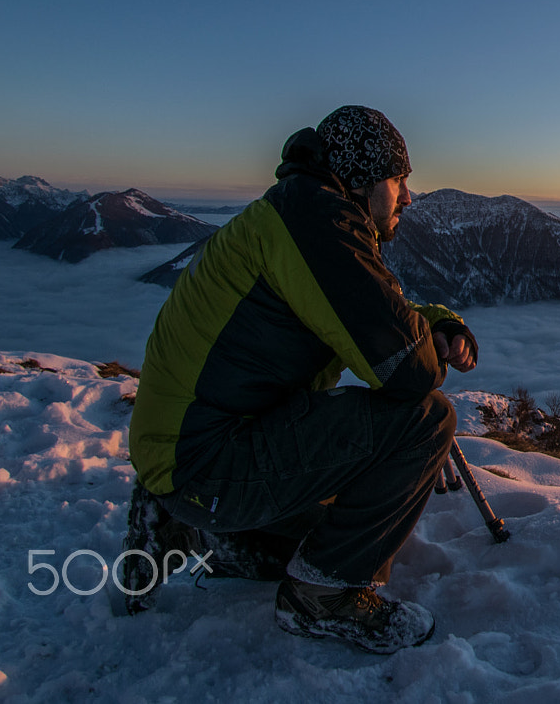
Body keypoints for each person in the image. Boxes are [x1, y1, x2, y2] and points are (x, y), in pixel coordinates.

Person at [125, 105, 478, 654]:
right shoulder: (319, 224)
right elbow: (405, 369)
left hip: (183, 445)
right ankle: (322, 598)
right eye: (398, 178)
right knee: (425, 420)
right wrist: (428, 344)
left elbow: (376, 312)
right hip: (202, 457)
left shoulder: (298, 212)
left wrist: (435, 321)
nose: (408, 196)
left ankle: (191, 528)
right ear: (361, 180)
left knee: (330, 524)